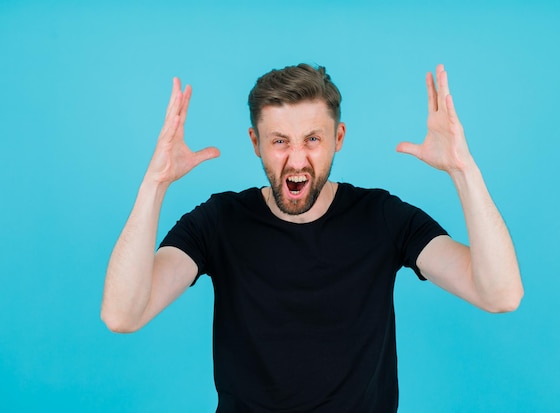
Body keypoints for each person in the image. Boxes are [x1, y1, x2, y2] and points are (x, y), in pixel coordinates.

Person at [101, 63, 523, 412]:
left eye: (313, 140)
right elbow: (123, 315)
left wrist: (464, 171)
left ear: (338, 139)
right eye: (279, 141)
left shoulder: (383, 217)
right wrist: (154, 184)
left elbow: (499, 295)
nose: (296, 159)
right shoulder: (219, 221)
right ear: (256, 143)